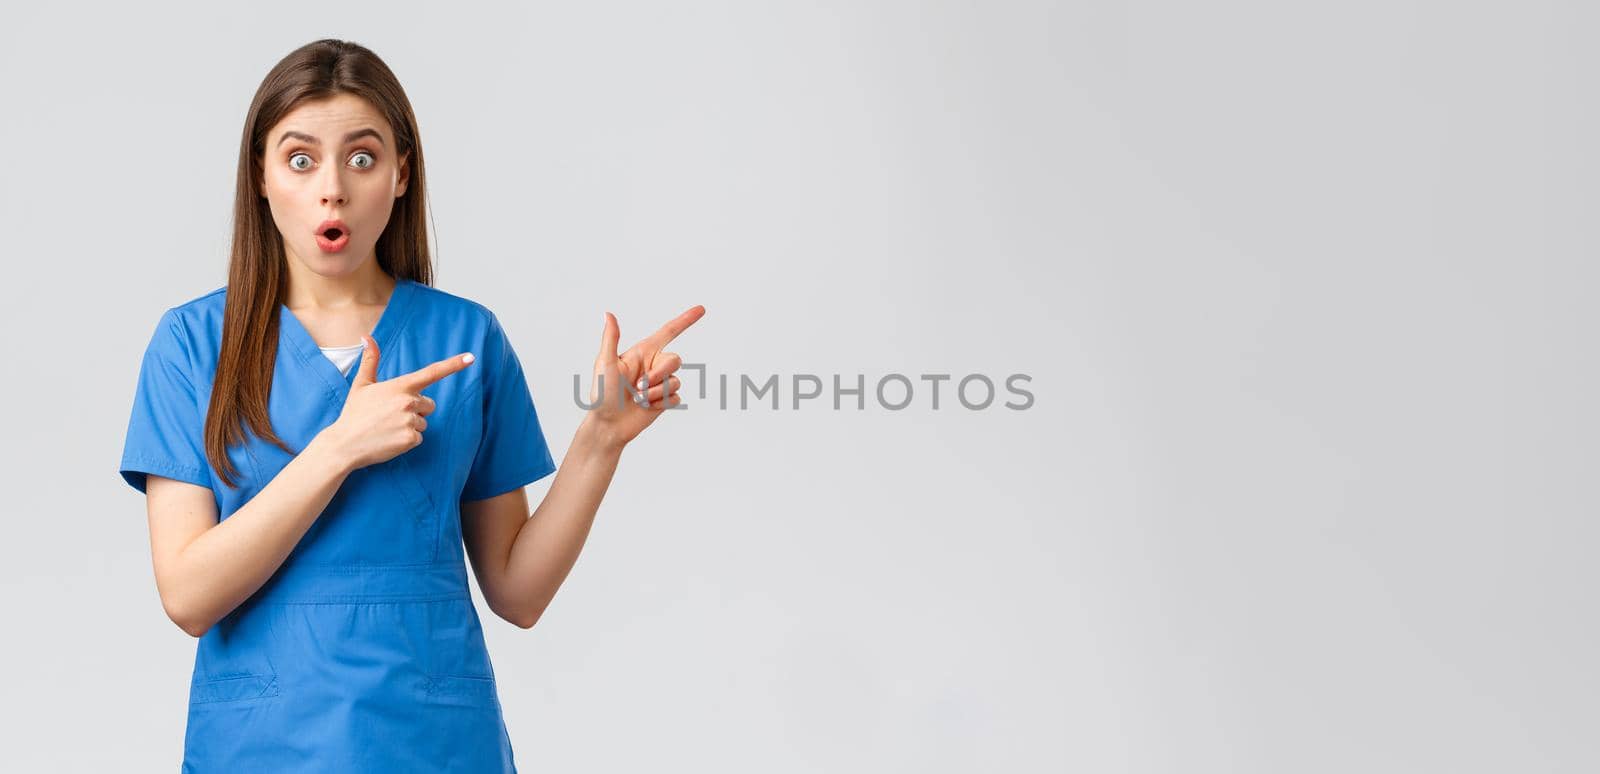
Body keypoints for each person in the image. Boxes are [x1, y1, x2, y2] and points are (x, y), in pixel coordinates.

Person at [116, 39, 704, 772]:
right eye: (300, 160)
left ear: (400, 175)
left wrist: (601, 441)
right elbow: (188, 595)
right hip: (263, 745)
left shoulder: (463, 337)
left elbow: (518, 593)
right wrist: (339, 447)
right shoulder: (194, 344)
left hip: (433, 744)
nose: (332, 189)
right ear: (261, 179)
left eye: (361, 158)